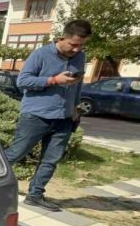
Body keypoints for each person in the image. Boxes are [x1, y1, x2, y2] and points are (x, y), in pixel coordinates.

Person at [6, 19, 92, 212]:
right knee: (15, 154)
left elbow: (77, 83)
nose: (77, 50)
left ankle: (35, 195)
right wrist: (53, 80)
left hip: (64, 118)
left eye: (81, 46)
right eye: (74, 45)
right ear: (62, 38)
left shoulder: (80, 57)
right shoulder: (40, 54)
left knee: (51, 160)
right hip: (36, 116)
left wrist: (76, 108)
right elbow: (23, 81)